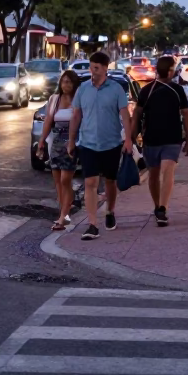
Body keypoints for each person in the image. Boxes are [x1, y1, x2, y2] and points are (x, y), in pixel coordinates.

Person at [67, 50, 133, 241]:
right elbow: (76, 115)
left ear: (105, 68)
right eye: (91, 67)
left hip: (111, 143)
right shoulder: (83, 89)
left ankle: (110, 211)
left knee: (110, 181)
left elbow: (125, 115)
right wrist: (71, 141)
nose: (92, 71)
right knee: (90, 182)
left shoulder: (116, 89)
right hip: (87, 143)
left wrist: (128, 139)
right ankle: (92, 224)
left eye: (96, 68)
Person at [131, 55, 188, 227]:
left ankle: (162, 209)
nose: (175, 71)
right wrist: (132, 137)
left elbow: (186, 114)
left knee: (168, 170)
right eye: (173, 68)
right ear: (169, 70)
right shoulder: (147, 90)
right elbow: (137, 114)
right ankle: (157, 205)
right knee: (153, 175)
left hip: (172, 139)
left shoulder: (177, 90)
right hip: (151, 138)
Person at [37, 69, 82, 230]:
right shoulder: (54, 99)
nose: (65, 85)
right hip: (55, 142)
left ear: (75, 84)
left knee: (65, 180)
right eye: (63, 82)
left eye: (69, 82)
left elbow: (78, 120)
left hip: (71, 142)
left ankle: (64, 214)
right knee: (57, 181)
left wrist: (72, 141)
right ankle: (64, 214)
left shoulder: (78, 99)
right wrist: (42, 141)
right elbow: (48, 120)